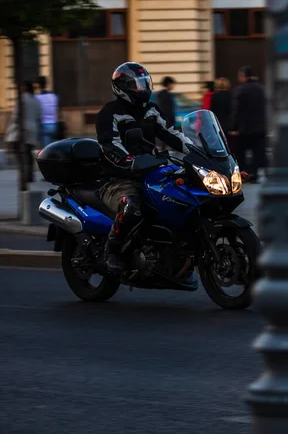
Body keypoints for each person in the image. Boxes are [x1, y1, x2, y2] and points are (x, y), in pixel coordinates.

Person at [96, 62, 197, 290]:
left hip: (151, 172)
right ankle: (112, 251)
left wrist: (199, 151)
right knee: (132, 206)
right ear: (122, 87)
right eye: (136, 85)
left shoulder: (150, 109)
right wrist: (130, 162)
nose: (142, 88)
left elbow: (171, 133)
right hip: (118, 179)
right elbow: (109, 145)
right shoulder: (110, 113)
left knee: (183, 198)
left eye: (144, 83)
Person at [231, 66, 267, 183]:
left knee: (241, 152)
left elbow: (237, 110)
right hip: (260, 127)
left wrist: (234, 127)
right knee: (257, 151)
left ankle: (245, 173)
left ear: (244, 76)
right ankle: (254, 173)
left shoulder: (240, 90)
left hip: (244, 128)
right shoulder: (262, 89)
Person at [5, 81, 41, 183]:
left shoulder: (21, 99)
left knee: (16, 149)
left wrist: (10, 127)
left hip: (21, 128)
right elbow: (39, 115)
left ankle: (23, 171)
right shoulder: (36, 100)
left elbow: (16, 115)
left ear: (24, 88)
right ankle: (30, 174)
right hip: (33, 129)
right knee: (29, 152)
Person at [34, 76, 59, 147]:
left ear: (38, 85)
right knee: (52, 146)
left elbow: (37, 113)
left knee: (46, 150)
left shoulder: (37, 98)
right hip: (54, 125)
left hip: (44, 126)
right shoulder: (53, 96)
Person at [210, 77, 233, 150]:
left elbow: (212, 110)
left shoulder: (214, 96)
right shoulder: (231, 96)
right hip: (229, 124)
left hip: (218, 123)